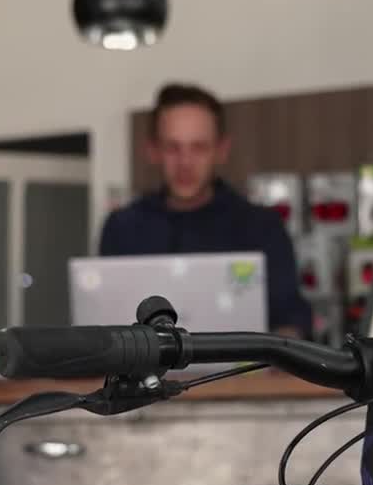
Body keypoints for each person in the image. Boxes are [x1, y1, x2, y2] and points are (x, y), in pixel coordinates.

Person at [98, 83, 313, 338]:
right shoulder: (121, 227)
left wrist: (286, 344)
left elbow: (292, 319)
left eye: (198, 148)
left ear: (221, 150)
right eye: (172, 148)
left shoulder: (262, 226)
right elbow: (105, 323)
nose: (185, 163)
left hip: (242, 377)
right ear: (153, 151)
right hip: (144, 376)